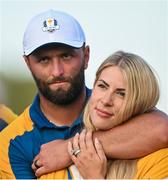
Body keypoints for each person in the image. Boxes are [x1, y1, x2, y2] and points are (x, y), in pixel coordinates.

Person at [0, 9, 168, 179]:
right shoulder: (11, 143)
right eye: (44, 59)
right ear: (28, 63)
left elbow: (163, 129)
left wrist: (69, 149)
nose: (57, 71)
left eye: (66, 56)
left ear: (86, 56)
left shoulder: (112, 114)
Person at [67, 51, 168, 179]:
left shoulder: (161, 162)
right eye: (102, 86)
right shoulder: (61, 165)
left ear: (140, 104)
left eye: (121, 94)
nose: (106, 100)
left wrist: (94, 177)